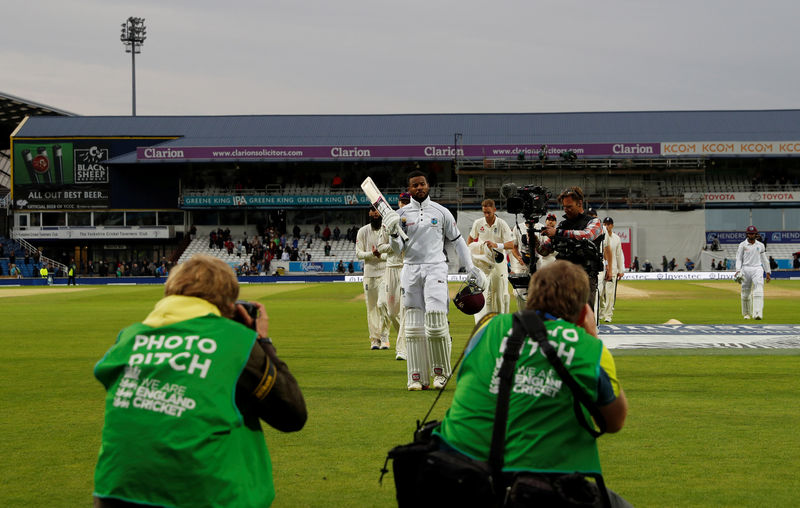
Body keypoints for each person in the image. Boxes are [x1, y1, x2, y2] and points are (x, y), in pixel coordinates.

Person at [92, 255, 307, 507]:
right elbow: (291, 414)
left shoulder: (128, 338)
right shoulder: (234, 341)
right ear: (228, 301)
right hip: (203, 496)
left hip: (114, 492)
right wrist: (262, 342)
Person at [433, 261, 631, 507]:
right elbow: (614, 421)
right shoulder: (587, 348)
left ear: (531, 299)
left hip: (452, 472)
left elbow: (468, 380)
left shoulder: (488, 328)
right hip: (532, 485)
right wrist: (590, 336)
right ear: (583, 313)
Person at [383, 170, 486, 390]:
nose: (419, 188)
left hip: (436, 268)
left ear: (428, 185)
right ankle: (416, 376)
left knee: (437, 321)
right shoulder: (400, 215)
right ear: (409, 189)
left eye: (422, 184)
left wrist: (470, 268)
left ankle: (440, 374)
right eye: (414, 185)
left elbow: (458, 242)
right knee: (412, 326)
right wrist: (393, 233)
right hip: (410, 269)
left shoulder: (441, 212)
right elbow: (396, 250)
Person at [536, 186, 604, 307]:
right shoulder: (562, 225)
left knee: (583, 317)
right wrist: (535, 243)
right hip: (563, 278)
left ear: (579, 203)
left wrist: (558, 233)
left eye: (569, 207)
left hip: (585, 277)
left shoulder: (594, 222)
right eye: (564, 207)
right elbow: (545, 250)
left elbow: (588, 235)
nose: (566, 210)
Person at [468, 199, 515, 322]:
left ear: (494, 210)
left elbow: (511, 245)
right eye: (484, 212)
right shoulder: (478, 223)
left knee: (501, 294)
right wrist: (472, 253)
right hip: (483, 263)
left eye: (489, 212)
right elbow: (470, 240)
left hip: (499, 262)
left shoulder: (501, 224)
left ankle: (501, 320)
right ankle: (484, 321)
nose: (486, 215)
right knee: (483, 293)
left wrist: (496, 245)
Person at [377, 192, 411, 360]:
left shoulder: (412, 221)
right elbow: (380, 246)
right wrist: (395, 245)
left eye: (407, 202)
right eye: (402, 202)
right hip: (391, 268)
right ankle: (403, 339)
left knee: (405, 310)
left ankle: (402, 349)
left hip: (406, 267)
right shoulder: (388, 220)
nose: (404, 205)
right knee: (391, 312)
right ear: (398, 203)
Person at [356, 207, 390, 350]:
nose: (375, 213)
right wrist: (372, 254)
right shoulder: (363, 231)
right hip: (369, 274)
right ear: (369, 213)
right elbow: (359, 253)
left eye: (377, 211)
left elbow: (392, 254)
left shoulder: (387, 230)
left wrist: (379, 256)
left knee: (383, 304)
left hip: (384, 273)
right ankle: (374, 339)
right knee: (371, 308)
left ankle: (384, 337)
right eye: (373, 211)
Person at [735, 225, 771, 320]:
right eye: (750, 233)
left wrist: (768, 272)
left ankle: (757, 313)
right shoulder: (742, 245)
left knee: (758, 289)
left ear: (756, 234)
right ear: (747, 234)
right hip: (745, 268)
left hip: (757, 268)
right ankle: (746, 313)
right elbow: (738, 259)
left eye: (753, 233)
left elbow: (764, 259)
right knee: (745, 293)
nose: (751, 235)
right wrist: (738, 270)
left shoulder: (760, 245)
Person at [599, 217, 625, 323]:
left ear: (612, 226)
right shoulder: (601, 236)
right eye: (605, 224)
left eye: (609, 224)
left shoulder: (616, 238)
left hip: (613, 269)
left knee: (610, 294)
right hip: (601, 269)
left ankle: (608, 315)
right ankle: (601, 311)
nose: (607, 226)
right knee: (599, 293)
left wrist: (621, 269)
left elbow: (619, 255)